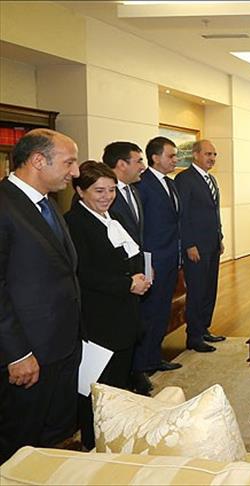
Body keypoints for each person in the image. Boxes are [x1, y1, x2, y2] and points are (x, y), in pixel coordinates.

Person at [0, 129, 81, 462]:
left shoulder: (46, 204)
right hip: (27, 352)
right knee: (19, 443)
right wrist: (17, 353)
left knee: (53, 436)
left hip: (60, 345)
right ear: (37, 160)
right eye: (69, 162)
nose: (75, 171)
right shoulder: (5, 205)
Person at [64, 161, 151, 449]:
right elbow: (83, 273)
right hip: (99, 318)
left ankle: (115, 438)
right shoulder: (74, 223)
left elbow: (130, 254)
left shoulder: (114, 217)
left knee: (118, 386)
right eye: (99, 191)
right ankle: (94, 444)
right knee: (96, 389)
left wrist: (139, 276)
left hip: (124, 313)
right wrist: (127, 284)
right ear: (80, 191)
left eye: (112, 190)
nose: (107, 196)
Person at [131, 136, 182, 393]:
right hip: (153, 259)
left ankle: (155, 356)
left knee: (163, 310)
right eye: (171, 156)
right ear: (155, 158)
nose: (175, 160)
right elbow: (139, 226)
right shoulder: (142, 184)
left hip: (171, 255)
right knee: (149, 312)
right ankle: (142, 364)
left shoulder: (171, 184)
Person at [175, 140, 226, 353]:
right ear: (195, 155)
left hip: (212, 243)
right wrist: (189, 244)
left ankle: (204, 328)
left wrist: (219, 237)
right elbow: (183, 215)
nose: (212, 158)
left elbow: (214, 212)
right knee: (196, 290)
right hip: (196, 246)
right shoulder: (184, 179)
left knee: (209, 288)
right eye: (208, 154)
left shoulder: (211, 179)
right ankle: (194, 336)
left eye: (214, 154)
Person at [102, 141, 145, 246]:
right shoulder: (102, 195)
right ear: (122, 165)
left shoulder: (135, 191)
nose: (143, 167)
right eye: (139, 162)